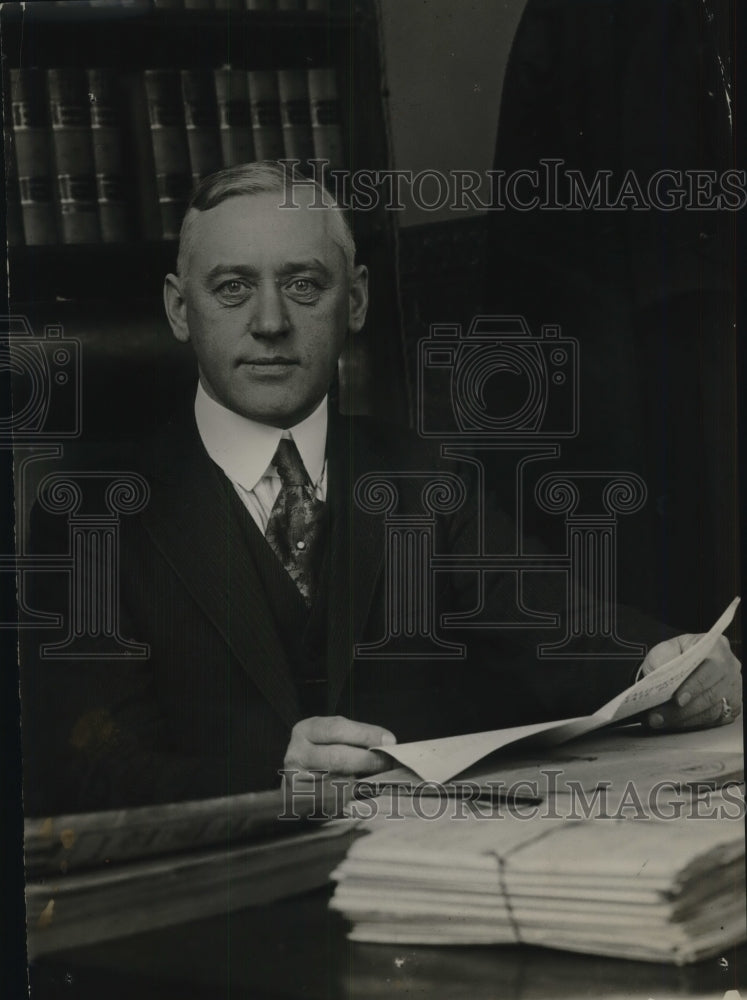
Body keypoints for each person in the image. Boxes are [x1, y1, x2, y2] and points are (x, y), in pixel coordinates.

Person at [21, 162, 741, 815]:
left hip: (417, 885)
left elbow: (561, 630)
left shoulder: (427, 478)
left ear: (356, 300)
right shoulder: (93, 514)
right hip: (213, 914)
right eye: (233, 288)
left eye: (304, 284)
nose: (270, 322)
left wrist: (665, 664)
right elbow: (89, 764)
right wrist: (269, 774)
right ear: (181, 310)